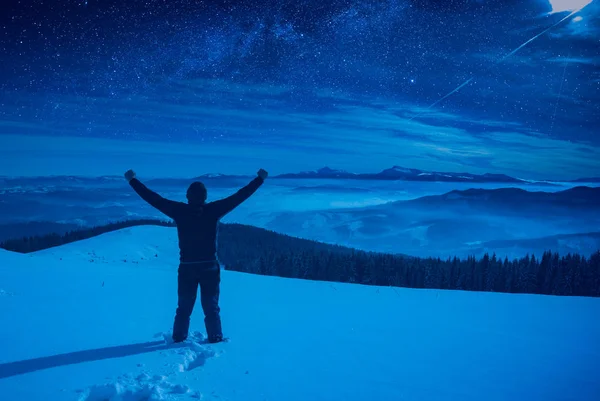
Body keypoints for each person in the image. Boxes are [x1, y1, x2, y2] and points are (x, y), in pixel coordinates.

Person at [124, 168, 268, 343]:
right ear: (205, 197)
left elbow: (154, 199)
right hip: (209, 267)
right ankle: (215, 337)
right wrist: (259, 180)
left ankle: (178, 337)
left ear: (187, 196)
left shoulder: (179, 210)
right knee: (211, 306)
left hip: (187, 267)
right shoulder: (214, 210)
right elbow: (239, 196)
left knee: (184, 307)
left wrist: (133, 181)